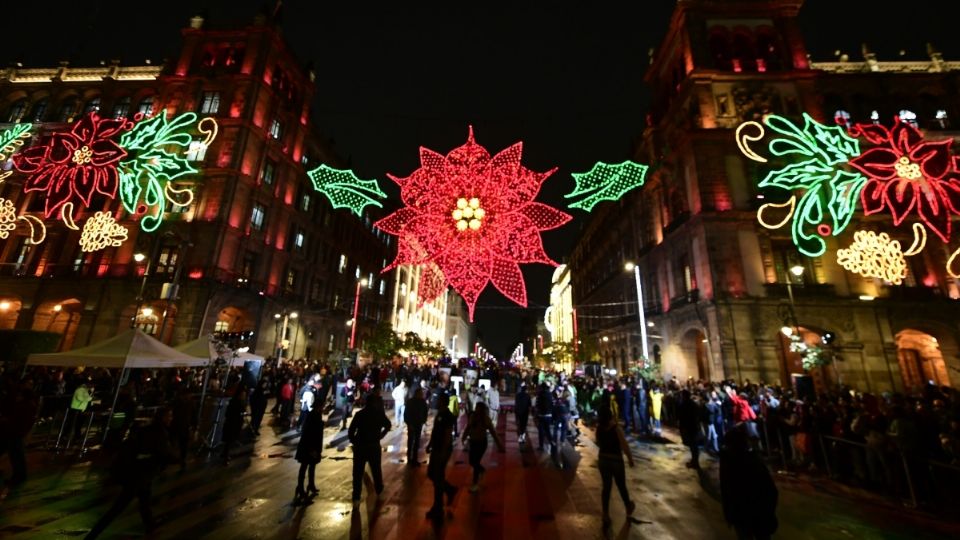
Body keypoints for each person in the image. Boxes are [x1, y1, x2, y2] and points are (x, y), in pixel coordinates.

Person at [85, 407, 178, 539]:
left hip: (141, 473)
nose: (171, 418)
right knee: (119, 506)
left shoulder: (148, 429)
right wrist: (176, 459)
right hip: (140, 475)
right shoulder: (159, 433)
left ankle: (150, 525)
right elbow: (163, 452)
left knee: (144, 500)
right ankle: (93, 534)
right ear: (163, 417)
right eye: (169, 415)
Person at [720, 426, 778, 539]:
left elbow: (726, 492)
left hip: (742, 515)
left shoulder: (728, 465)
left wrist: (729, 515)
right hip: (758, 513)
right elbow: (771, 490)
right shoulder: (754, 461)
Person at [595, 403, 635, 529]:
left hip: (603, 459)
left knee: (606, 487)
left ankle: (605, 514)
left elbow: (598, 443)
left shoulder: (599, 428)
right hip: (616, 460)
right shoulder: (616, 428)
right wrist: (630, 458)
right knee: (621, 485)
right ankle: (628, 506)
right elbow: (624, 445)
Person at [347, 394, 391, 505]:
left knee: (357, 473)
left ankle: (356, 497)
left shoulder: (359, 414)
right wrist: (381, 435)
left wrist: (355, 442)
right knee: (376, 470)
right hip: (374, 445)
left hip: (360, 446)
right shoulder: (379, 414)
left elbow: (351, 431)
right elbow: (388, 425)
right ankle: (379, 490)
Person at [425, 392, 457, 520]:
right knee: (433, 474)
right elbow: (435, 431)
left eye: (438, 400)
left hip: (442, 450)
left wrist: (443, 450)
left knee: (437, 476)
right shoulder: (440, 414)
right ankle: (449, 490)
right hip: (437, 448)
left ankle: (438, 507)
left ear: (443, 402)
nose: (436, 402)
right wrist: (430, 444)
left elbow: (448, 434)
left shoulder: (447, 416)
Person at [461, 402, 504, 492]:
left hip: (481, 443)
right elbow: (468, 427)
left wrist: (499, 445)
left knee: (475, 462)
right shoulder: (473, 417)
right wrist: (464, 437)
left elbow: (493, 432)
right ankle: (482, 470)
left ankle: (475, 484)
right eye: (476, 408)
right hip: (472, 442)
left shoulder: (486, 419)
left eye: (479, 408)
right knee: (471, 462)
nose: (477, 410)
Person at [294, 405, 324, 504]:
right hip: (309, 447)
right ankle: (301, 489)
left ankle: (309, 485)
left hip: (311, 447)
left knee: (310, 466)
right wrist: (312, 449)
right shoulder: (313, 417)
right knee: (305, 466)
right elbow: (311, 434)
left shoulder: (315, 416)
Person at [678, 389, 703, 470]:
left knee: (693, 445)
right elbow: (698, 414)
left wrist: (682, 428)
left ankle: (695, 462)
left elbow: (681, 417)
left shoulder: (684, 405)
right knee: (694, 445)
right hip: (694, 426)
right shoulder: (694, 404)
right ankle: (695, 461)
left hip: (689, 427)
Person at [221, 387, 247, 465]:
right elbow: (229, 413)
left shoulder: (240, 402)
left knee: (229, 441)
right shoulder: (234, 402)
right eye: (242, 394)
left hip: (235, 423)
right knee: (229, 440)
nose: (243, 396)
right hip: (232, 423)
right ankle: (225, 457)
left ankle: (224, 454)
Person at [404, 388, 429, 465]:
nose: (422, 395)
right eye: (421, 393)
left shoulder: (417, 402)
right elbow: (407, 413)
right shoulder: (417, 402)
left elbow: (425, 412)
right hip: (414, 423)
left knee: (414, 441)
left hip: (417, 423)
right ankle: (411, 459)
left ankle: (412, 459)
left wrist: (423, 420)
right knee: (412, 441)